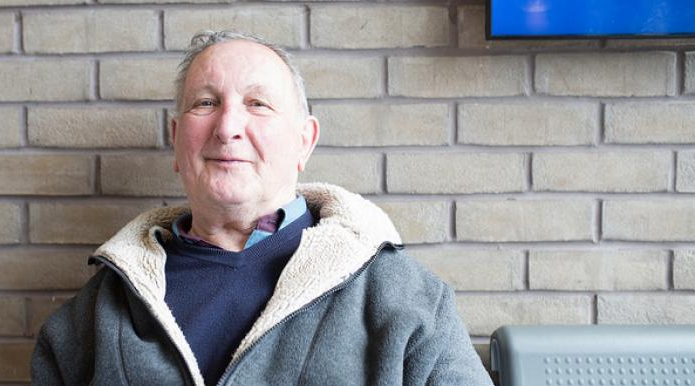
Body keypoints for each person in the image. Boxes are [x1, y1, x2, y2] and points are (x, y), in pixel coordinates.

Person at [30, 30, 494, 386]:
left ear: (303, 141)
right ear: (176, 141)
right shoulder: (93, 316)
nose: (228, 125)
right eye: (206, 102)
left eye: (258, 104)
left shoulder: (404, 298)